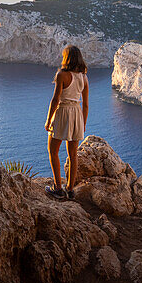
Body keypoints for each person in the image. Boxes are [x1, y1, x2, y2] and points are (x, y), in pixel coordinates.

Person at [44, 44, 88, 199]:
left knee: (53, 150)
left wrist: (48, 120)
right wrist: (83, 123)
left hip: (62, 112)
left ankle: (57, 187)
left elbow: (55, 100)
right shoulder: (83, 77)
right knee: (73, 154)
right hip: (77, 113)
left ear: (66, 58)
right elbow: (86, 103)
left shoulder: (62, 75)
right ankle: (70, 189)